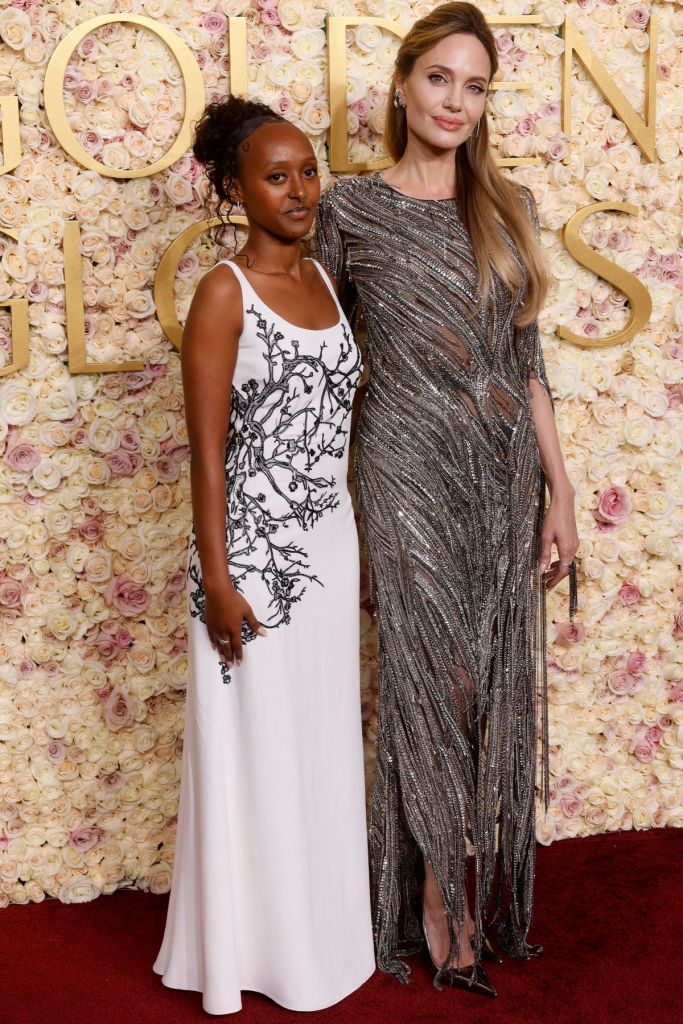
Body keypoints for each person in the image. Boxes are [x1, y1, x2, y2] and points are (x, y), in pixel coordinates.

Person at [316, 1, 579, 1000]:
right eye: (438, 79)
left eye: (473, 86)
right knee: (431, 675)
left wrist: (560, 489)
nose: (454, 102)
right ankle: (439, 904)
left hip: (498, 470)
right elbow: (326, 364)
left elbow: (527, 357)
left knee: (479, 684)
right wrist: (316, 508)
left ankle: (445, 878)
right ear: (401, 82)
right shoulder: (347, 208)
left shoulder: (505, 203)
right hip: (399, 466)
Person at [154, 96, 375, 1015]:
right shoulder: (222, 291)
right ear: (235, 189)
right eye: (276, 177)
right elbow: (207, 449)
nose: (299, 190)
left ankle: (317, 941)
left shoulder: (329, 281)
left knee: (317, 744)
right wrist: (216, 577)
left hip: (331, 542)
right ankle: (251, 954)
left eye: (308, 171)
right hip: (251, 560)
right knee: (255, 750)